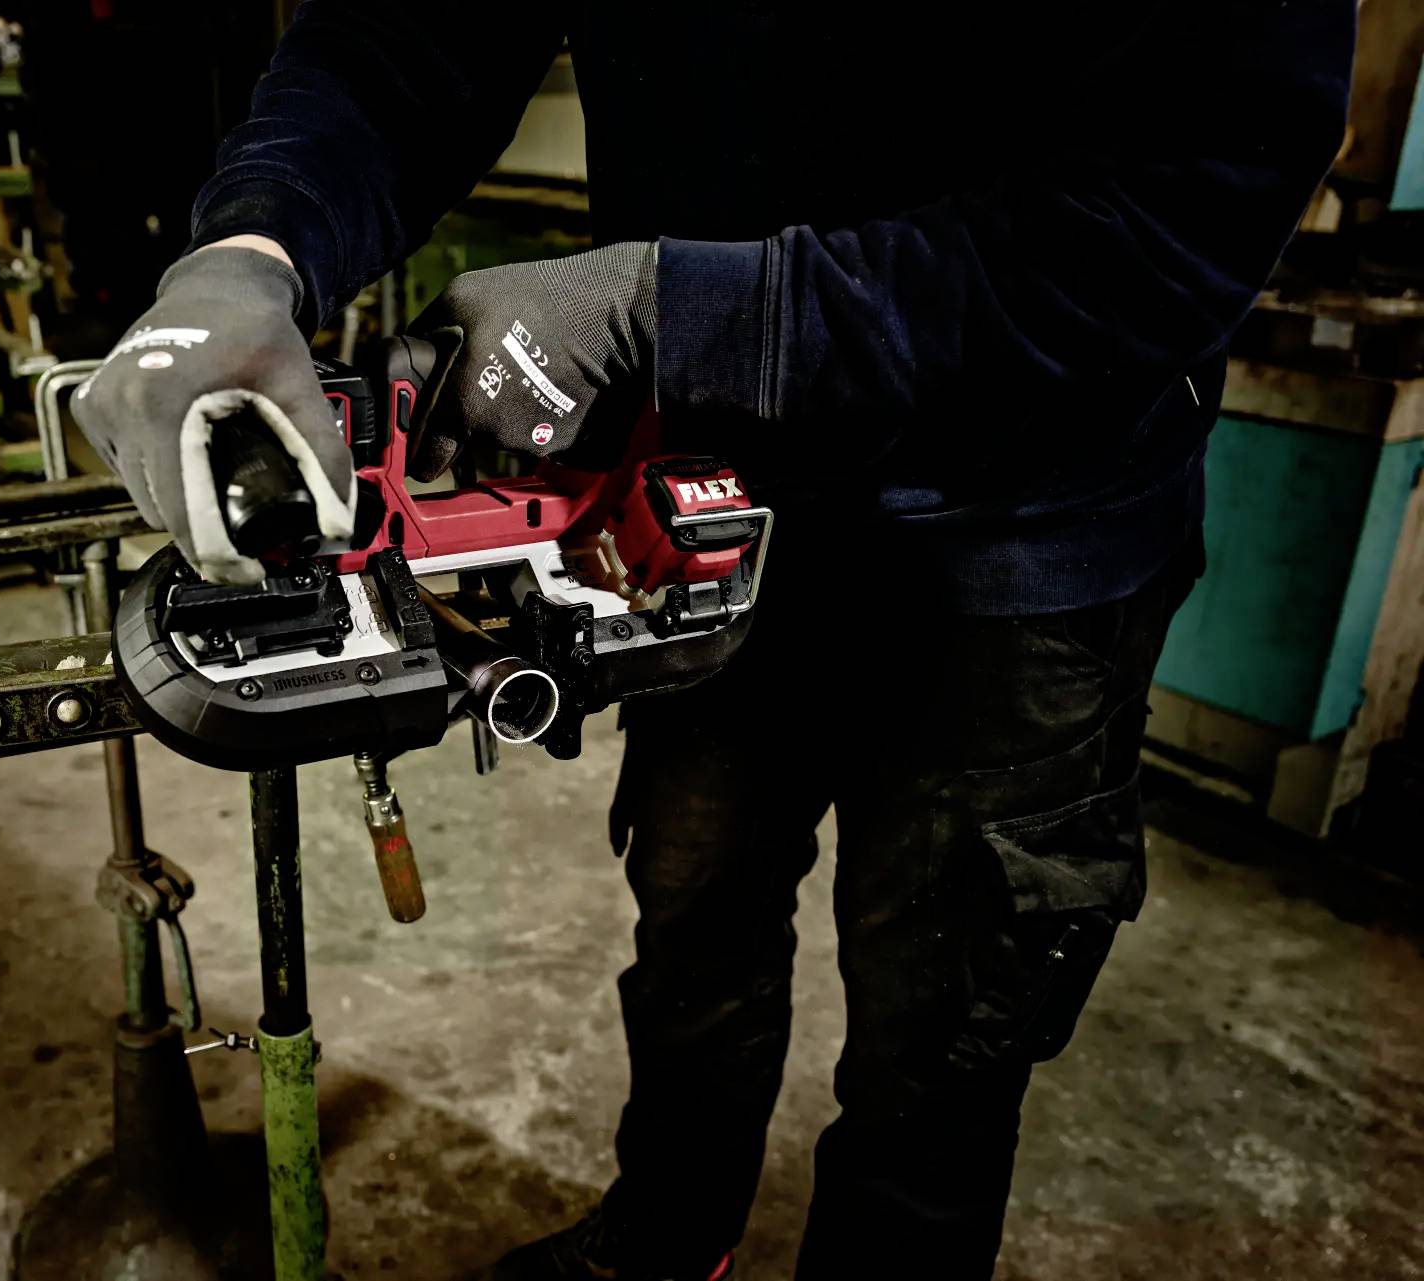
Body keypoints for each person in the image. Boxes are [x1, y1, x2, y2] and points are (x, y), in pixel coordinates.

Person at [70, 3, 1354, 1277]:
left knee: (948, 1028)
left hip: (1023, 539)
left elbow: (1172, 221)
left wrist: (667, 314)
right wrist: (251, 247)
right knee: (694, 926)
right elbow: (405, 38)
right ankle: (672, 1239)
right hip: (708, 495)